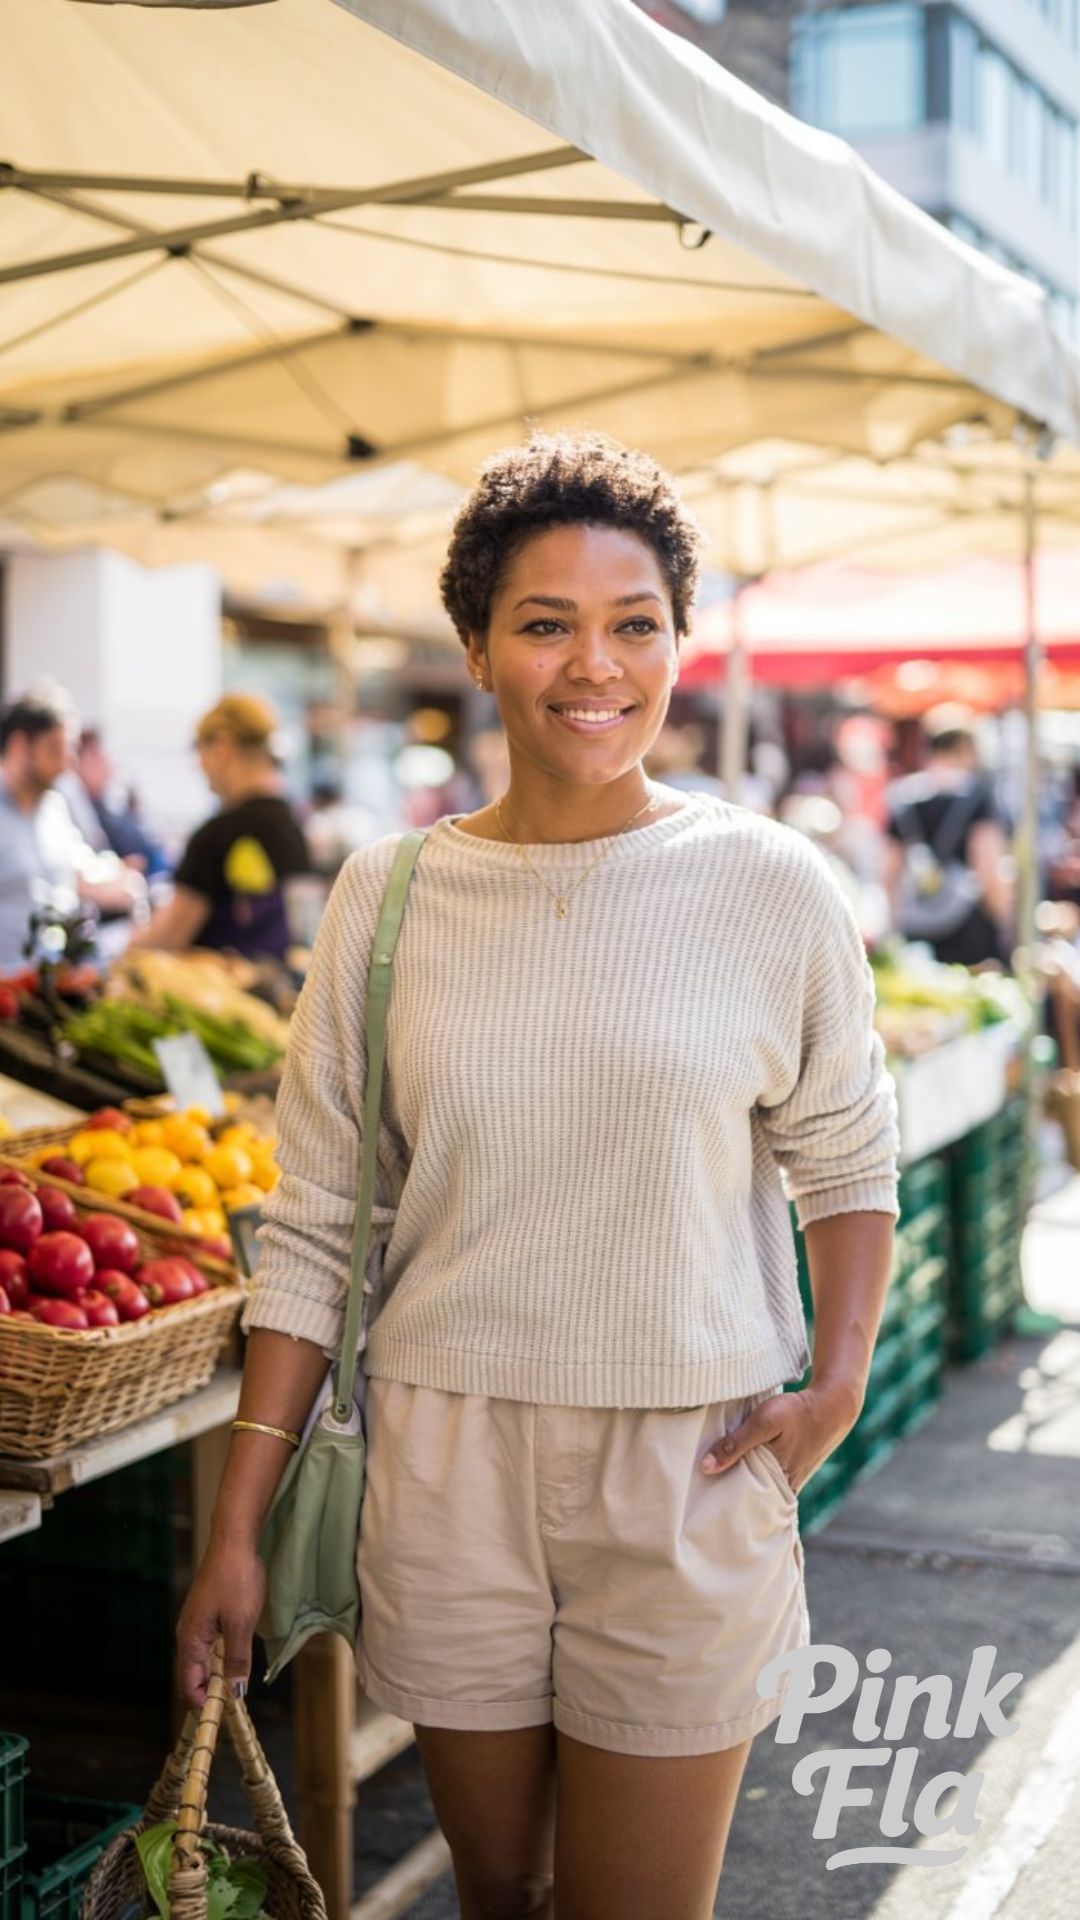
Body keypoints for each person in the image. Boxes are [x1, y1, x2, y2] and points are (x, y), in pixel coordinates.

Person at [177, 434, 900, 1920]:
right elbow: (314, 1228)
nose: (597, 664)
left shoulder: (772, 887)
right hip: (445, 1466)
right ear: (477, 648)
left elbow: (847, 1152)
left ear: (681, 647)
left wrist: (837, 1382)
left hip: (689, 1465)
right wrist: (234, 1533)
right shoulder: (387, 896)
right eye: (546, 622)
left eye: (636, 623)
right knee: (499, 1898)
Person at [128, 694, 311, 961]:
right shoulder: (294, 828)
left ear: (221, 749)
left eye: (199, 751)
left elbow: (168, 938)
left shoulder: (217, 835)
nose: (198, 766)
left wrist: (123, 949)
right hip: (282, 994)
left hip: (220, 996)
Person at [0, 696, 143, 974]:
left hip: (55, 982)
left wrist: (114, 878)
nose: (67, 762)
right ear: (20, 746)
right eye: (56, 749)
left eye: (70, 750)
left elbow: (77, 870)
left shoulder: (55, 807)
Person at [881, 710, 1015, 968]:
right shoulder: (976, 795)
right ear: (965, 748)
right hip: (967, 921)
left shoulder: (902, 796)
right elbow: (986, 860)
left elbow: (889, 869)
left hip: (917, 918)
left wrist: (895, 920)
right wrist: (1003, 917)